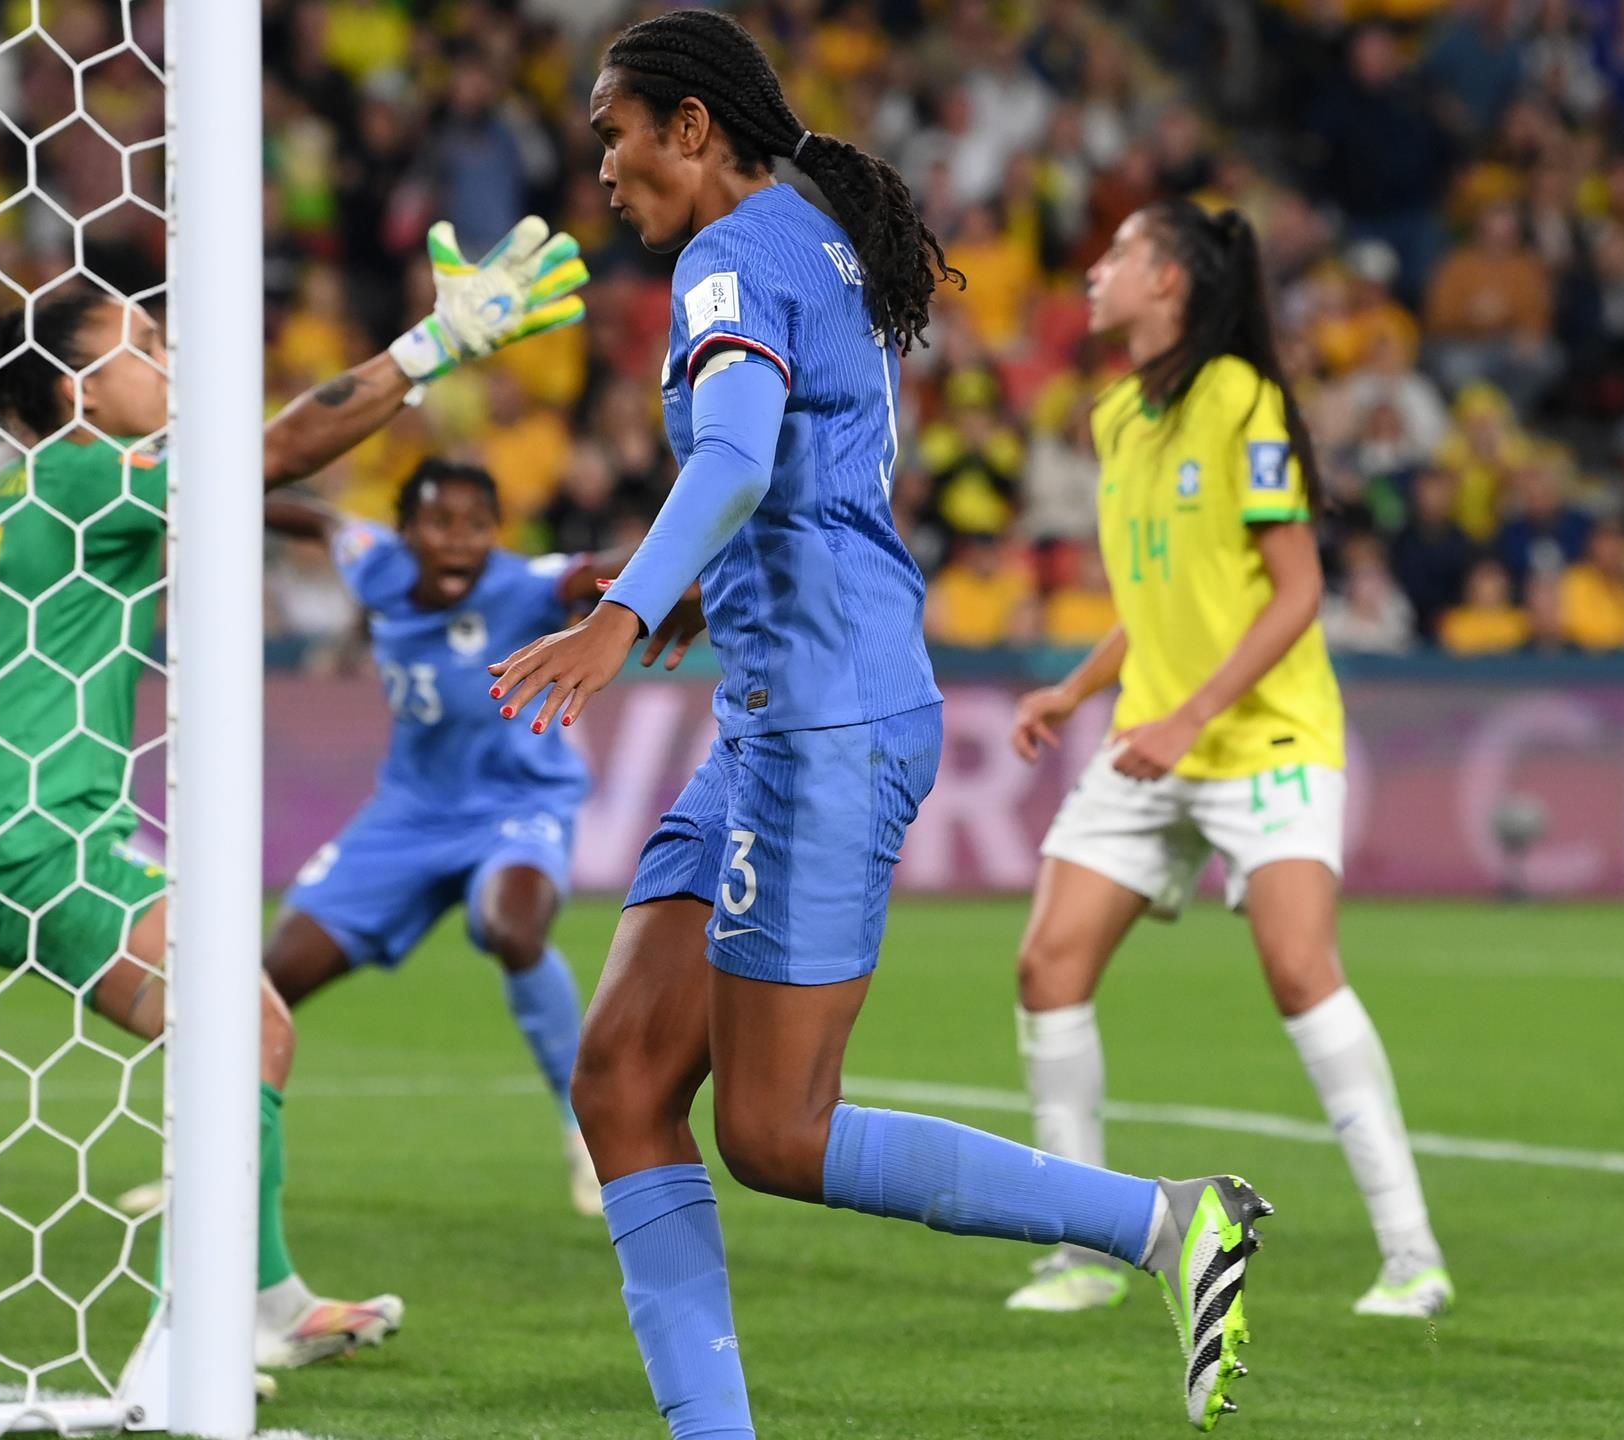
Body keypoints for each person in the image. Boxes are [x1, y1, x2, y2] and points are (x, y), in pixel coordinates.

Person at [485, 12, 1268, 1435]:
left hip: (823, 728)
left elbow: (733, 458)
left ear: (692, 128)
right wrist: (692, 599)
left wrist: (619, 615)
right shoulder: (809, 238)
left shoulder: (732, 259)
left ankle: (1166, 1221)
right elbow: (805, 483)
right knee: (619, 1082)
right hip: (786, 708)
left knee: (777, 1134)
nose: (600, 168)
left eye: (614, 134)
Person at [0, 215, 591, 1377]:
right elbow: (275, 454)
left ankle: (267, 1299)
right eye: (144, 340)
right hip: (44, 843)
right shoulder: (91, 474)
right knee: (241, 1026)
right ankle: (187, 1342)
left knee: (253, 1023)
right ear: (80, 394)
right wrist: (432, 345)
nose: (172, 355)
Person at [1002, 199, 1452, 1322]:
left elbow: (1296, 590)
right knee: (1046, 968)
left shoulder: (1242, 401)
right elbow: (1161, 595)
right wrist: (1077, 686)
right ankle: (1086, 1250)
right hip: (1153, 733)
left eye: (1117, 256)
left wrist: (1191, 717)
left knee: (1300, 971)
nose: (1095, 271)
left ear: (1170, 284)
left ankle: (1412, 1257)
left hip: (1262, 738)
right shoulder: (1115, 418)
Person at [269, 460, 612, 1214]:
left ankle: (587, 1127)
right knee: (268, 980)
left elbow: (593, 573)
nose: (460, 543)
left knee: (514, 930)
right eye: (440, 524)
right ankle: (209, 1160)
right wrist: (223, 495)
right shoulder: (373, 565)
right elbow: (319, 519)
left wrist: (668, 583)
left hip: (516, 805)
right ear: (407, 530)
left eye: (478, 526)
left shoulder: (523, 587)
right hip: (408, 815)